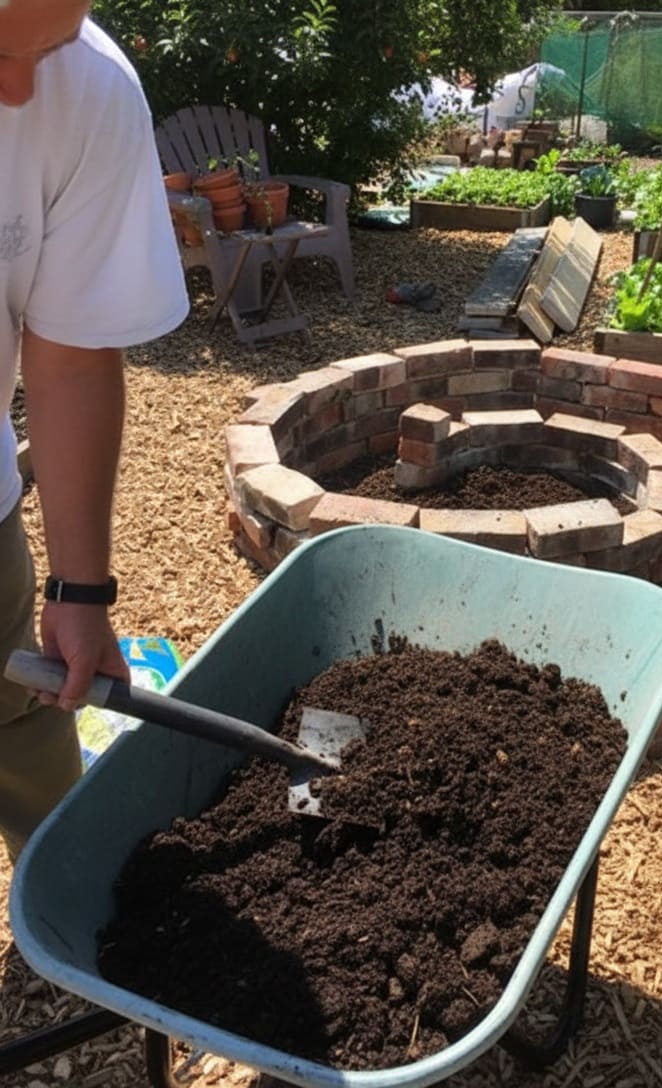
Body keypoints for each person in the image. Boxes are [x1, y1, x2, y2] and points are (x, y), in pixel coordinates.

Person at [0, 0, 189, 861]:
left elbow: (70, 357)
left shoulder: (86, 86)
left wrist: (79, 593)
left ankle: (61, 928)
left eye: (48, 44)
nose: (18, 87)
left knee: (29, 763)